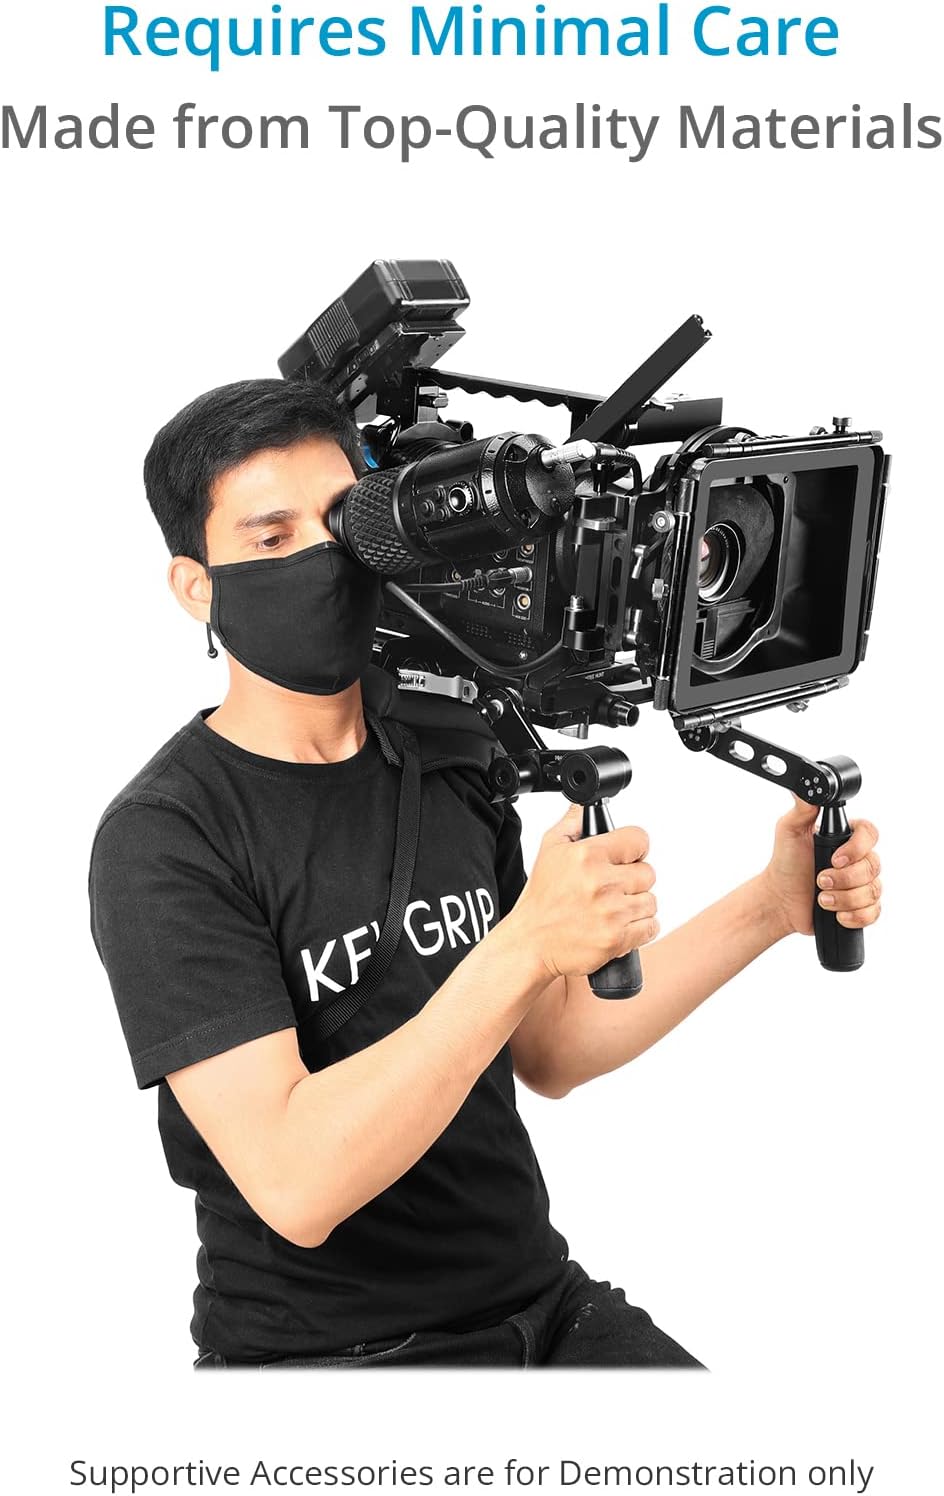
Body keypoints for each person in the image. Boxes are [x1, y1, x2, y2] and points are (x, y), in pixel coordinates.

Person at [88, 378, 883, 1369]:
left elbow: (552, 1046)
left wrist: (769, 904)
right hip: (328, 1360)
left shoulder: (449, 749)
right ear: (196, 586)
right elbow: (295, 1183)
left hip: (541, 1306)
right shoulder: (167, 835)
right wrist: (523, 946)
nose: (319, 558)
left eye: (338, 523)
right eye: (270, 536)